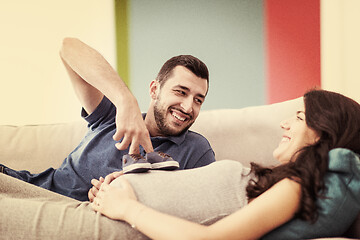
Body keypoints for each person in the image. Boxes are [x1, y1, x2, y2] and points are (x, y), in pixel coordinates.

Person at [89, 89, 360, 239]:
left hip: (116, 222)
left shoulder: (297, 187)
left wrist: (127, 207)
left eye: (299, 117)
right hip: (108, 206)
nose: (284, 123)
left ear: (324, 132)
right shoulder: (288, 183)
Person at [0, 38, 215, 201]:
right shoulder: (111, 116)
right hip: (34, 193)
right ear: (154, 90)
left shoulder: (196, 150)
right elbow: (69, 48)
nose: (188, 107)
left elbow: (199, 208)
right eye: (180, 92)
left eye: (198, 100)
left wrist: (118, 196)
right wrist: (125, 100)